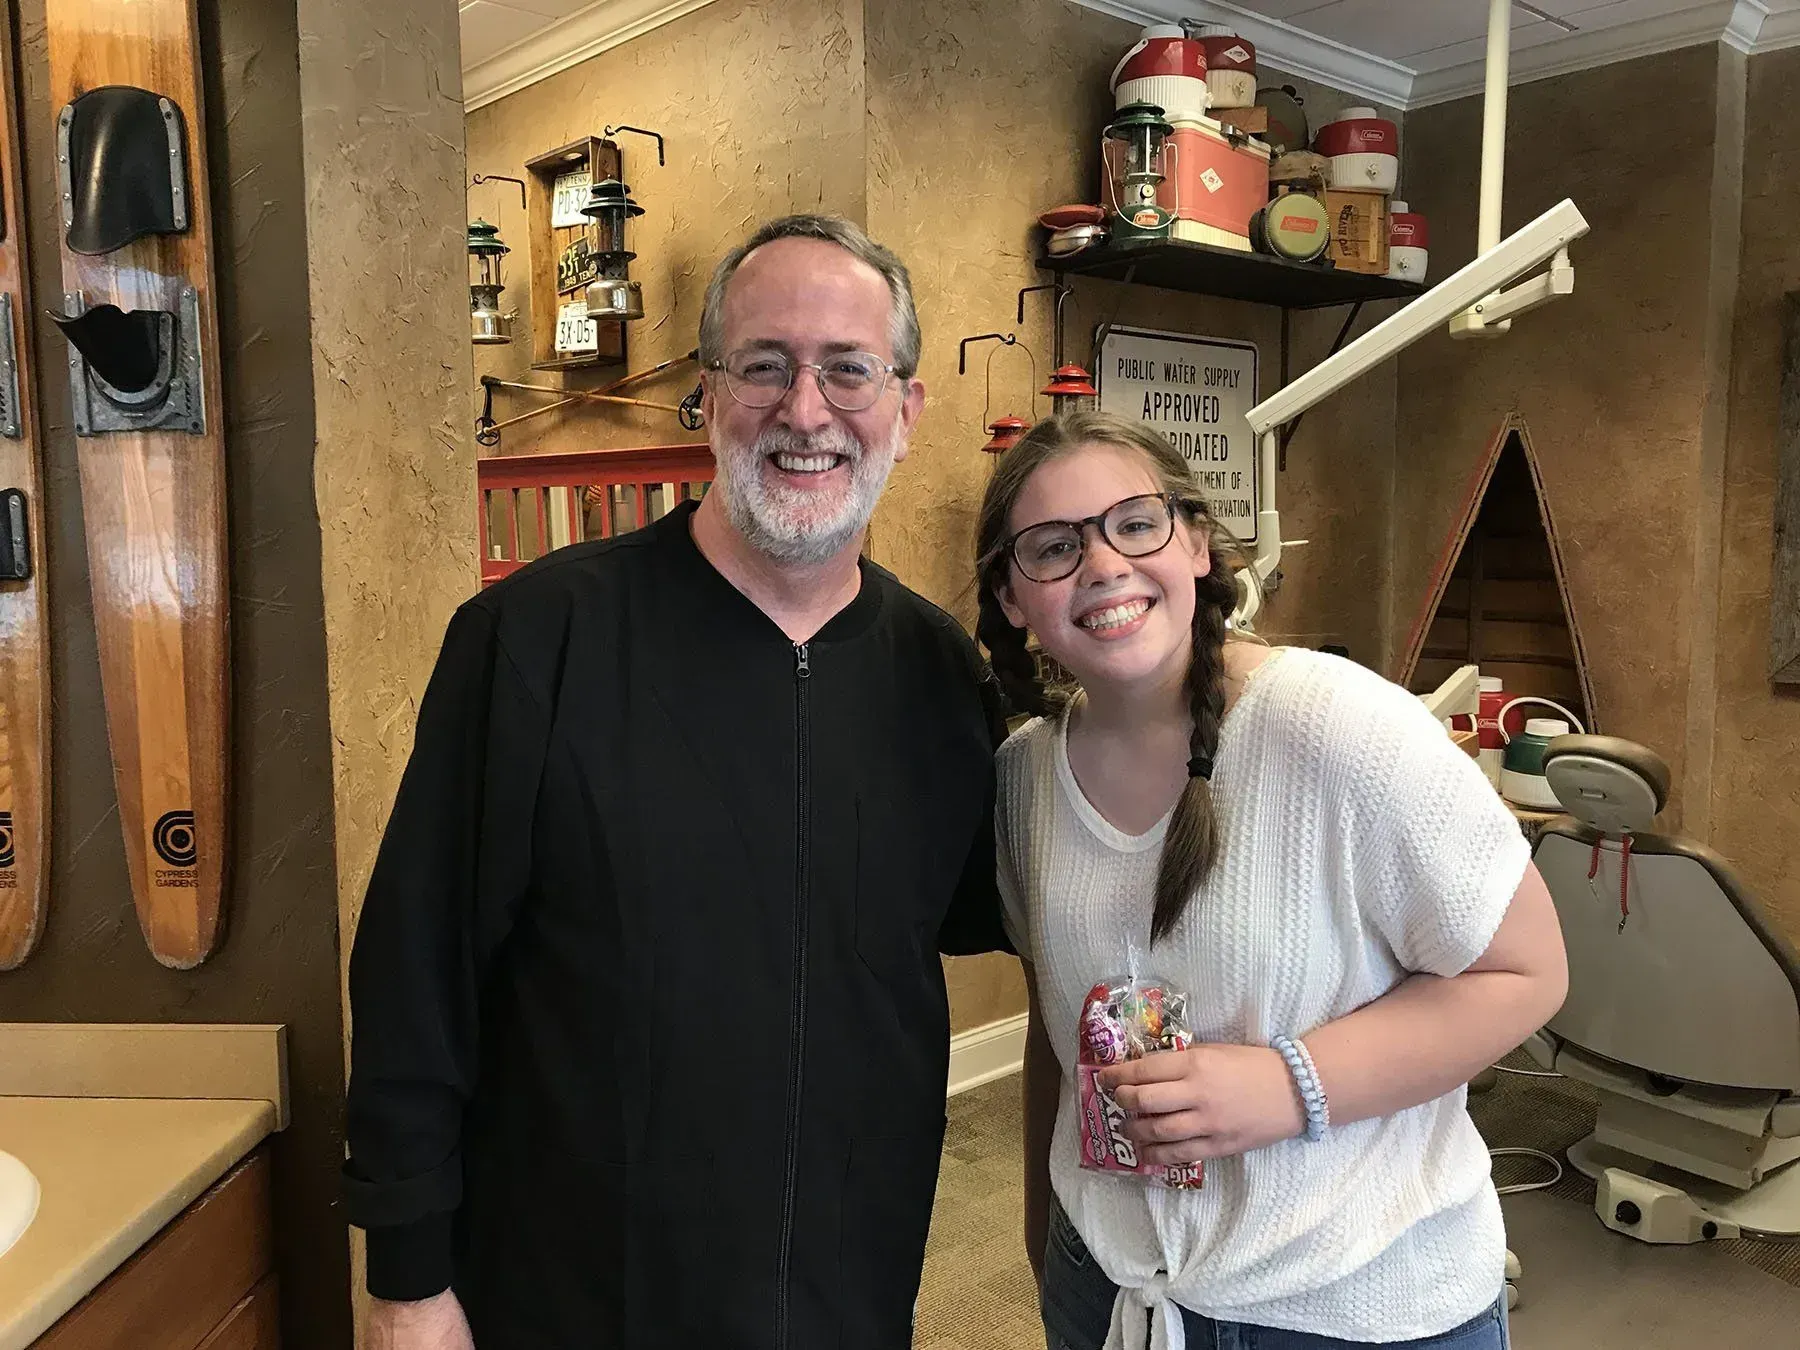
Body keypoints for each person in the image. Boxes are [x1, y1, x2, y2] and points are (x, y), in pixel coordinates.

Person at [343, 214, 1010, 1349]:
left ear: (906, 411)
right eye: (764, 366)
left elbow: (987, 912)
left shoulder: (942, 675)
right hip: (579, 1294)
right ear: (709, 395)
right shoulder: (535, 640)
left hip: (856, 1279)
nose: (805, 411)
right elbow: (418, 973)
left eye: (849, 370)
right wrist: (408, 1276)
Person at [974, 412, 1568, 1350]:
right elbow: (1058, 1033)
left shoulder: (1340, 729)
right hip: (1116, 1292)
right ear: (1011, 599)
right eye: (1052, 548)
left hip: (1351, 1304)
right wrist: (1051, 1241)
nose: (1101, 564)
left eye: (1135, 524)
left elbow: (1525, 972)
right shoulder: (1023, 782)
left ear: (1199, 543)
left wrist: (1288, 1088)